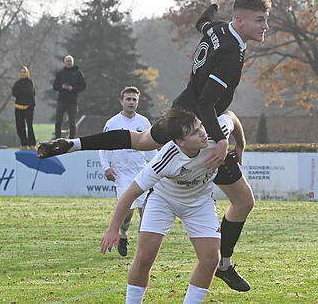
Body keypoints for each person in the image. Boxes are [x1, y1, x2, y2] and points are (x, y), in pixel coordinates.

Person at [39, 0, 267, 292]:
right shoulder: (230, 52)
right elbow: (208, 104)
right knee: (243, 201)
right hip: (200, 128)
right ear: (240, 20)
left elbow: (202, 23)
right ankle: (223, 265)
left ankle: (74, 143)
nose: (265, 25)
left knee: (141, 140)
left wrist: (215, 0)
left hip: (180, 110)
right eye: (260, 19)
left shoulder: (219, 29)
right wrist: (224, 140)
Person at [100, 107, 245, 304]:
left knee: (211, 259)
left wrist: (240, 145)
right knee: (144, 258)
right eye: (194, 132)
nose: (202, 132)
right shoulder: (165, 159)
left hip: (199, 202)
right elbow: (130, 193)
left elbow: (231, 117)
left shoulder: (214, 135)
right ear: (179, 142)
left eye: (200, 126)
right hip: (163, 201)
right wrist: (113, 229)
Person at [99, 86, 157, 257]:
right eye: (128, 99)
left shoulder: (144, 122)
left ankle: (143, 249)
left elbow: (151, 147)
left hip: (141, 173)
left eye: (134, 99)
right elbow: (102, 148)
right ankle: (123, 234)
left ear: (137, 102)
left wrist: (157, 167)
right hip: (122, 174)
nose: (131, 102)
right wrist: (106, 167)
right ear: (121, 101)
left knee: (145, 212)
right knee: (127, 213)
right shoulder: (112, 123)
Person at [52, 55, 86, 138]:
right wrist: (62, 87)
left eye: (70, 61)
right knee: (58, 121)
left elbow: (83, 86)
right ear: (64, 62)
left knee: (72, 122)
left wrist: (73, 88)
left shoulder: (78, 73)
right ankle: (57, 139)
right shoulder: (60, 73)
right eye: (67, 61)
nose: (68, 62)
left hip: (73, 101)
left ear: (73, 62)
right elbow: (55, 86)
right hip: (61, 100)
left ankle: (71, 140)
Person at [12, 66, 36, 149]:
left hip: (29, 106)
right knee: (20, 127)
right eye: (21, 72)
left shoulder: (30, 82)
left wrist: (20, 92)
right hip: (18, 107)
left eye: (24, 72)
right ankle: (24, 144)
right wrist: (22, 92)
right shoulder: (17, 83)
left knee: (29, 126)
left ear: (27, 73)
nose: (22, 74)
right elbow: (14, 93)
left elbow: (29, 92)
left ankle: (32, 144)